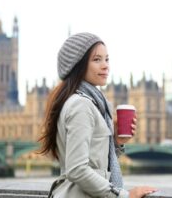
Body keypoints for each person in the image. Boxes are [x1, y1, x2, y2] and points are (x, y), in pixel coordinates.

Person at [39, 32, 157, 198]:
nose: (105, 66)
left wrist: (115, 142)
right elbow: (77, 169)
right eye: (97, 60)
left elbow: (96, 164)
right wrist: (125, 196)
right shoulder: (81, 105)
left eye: (107, 59)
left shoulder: (93, 103)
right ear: (78, 65)